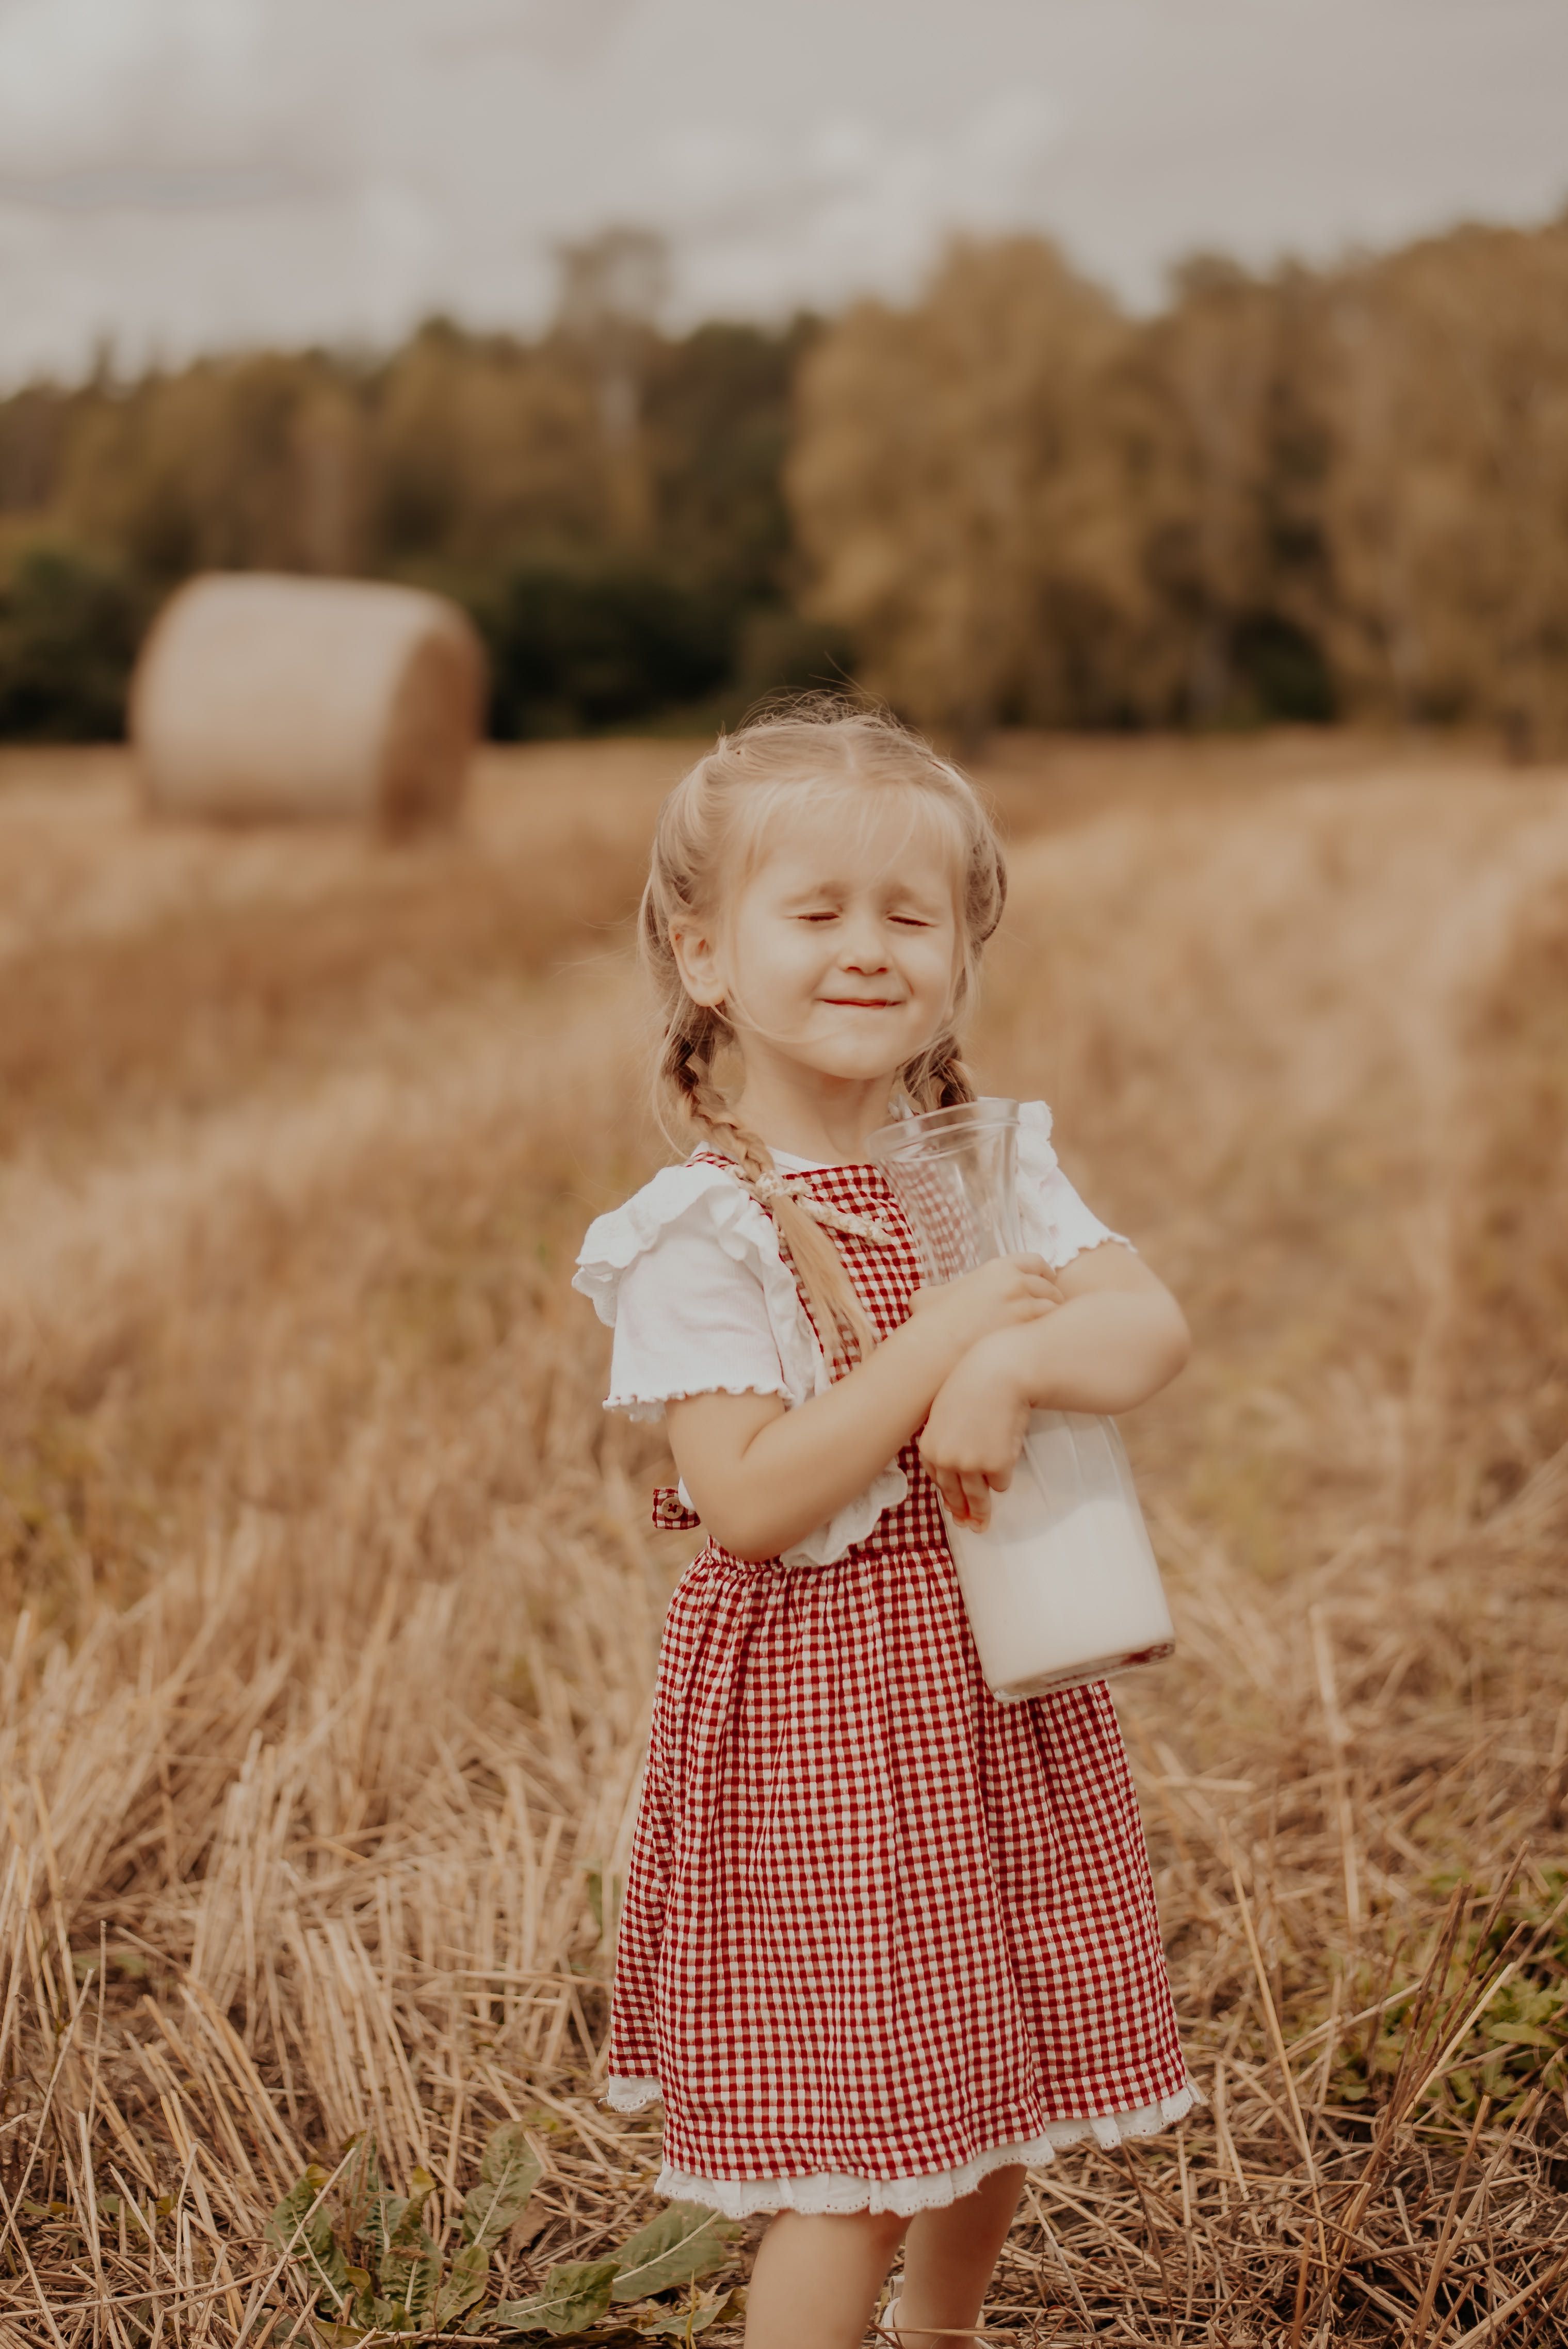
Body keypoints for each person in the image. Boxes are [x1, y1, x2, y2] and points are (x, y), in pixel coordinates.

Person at [574, 703, 1196, 2349]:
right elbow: (758, 1500)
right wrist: (947, 1349)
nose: (870, 949)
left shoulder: (993, 1166)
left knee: (1004, 2085)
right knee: (854, 2156)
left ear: (960, 955)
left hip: (1001, 1693)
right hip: (823, 1724)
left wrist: (1018, 1363)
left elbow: (1150, 1331)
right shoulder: (698, 1228)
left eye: (910, 917)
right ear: (707, 956)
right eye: (819, 911)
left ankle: (944, 2334)